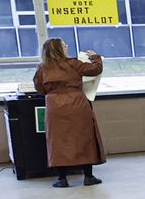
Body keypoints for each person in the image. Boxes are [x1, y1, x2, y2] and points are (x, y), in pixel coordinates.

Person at [32, 39, 103, 188]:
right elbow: (95, 70)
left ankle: (62, 178)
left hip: (55, 107)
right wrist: (95, 57)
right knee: (84, 137)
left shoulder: (43, 68)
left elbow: (39, 88)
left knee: (58, 141)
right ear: (58, 49)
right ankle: (88, 176)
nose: (67, 47)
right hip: (77, 104)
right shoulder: (73, 64)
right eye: (64, 45)